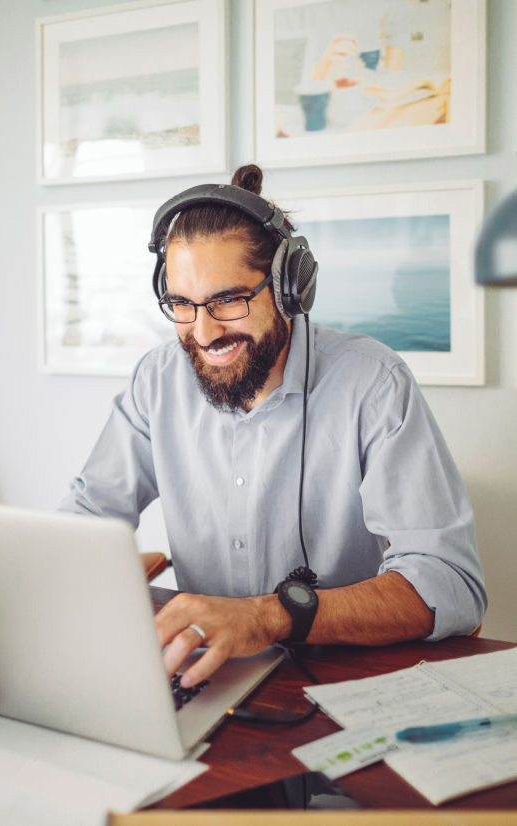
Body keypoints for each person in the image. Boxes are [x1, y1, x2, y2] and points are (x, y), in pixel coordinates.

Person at [59, 164, 486, 690]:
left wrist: (266, 616)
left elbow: (452, 585)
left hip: (337, 681)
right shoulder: (157, 378)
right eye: (181, 305)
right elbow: (84, 518)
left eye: (227, 300)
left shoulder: (372, 382)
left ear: (290, 288)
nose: (204, 332)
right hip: (202, 675)